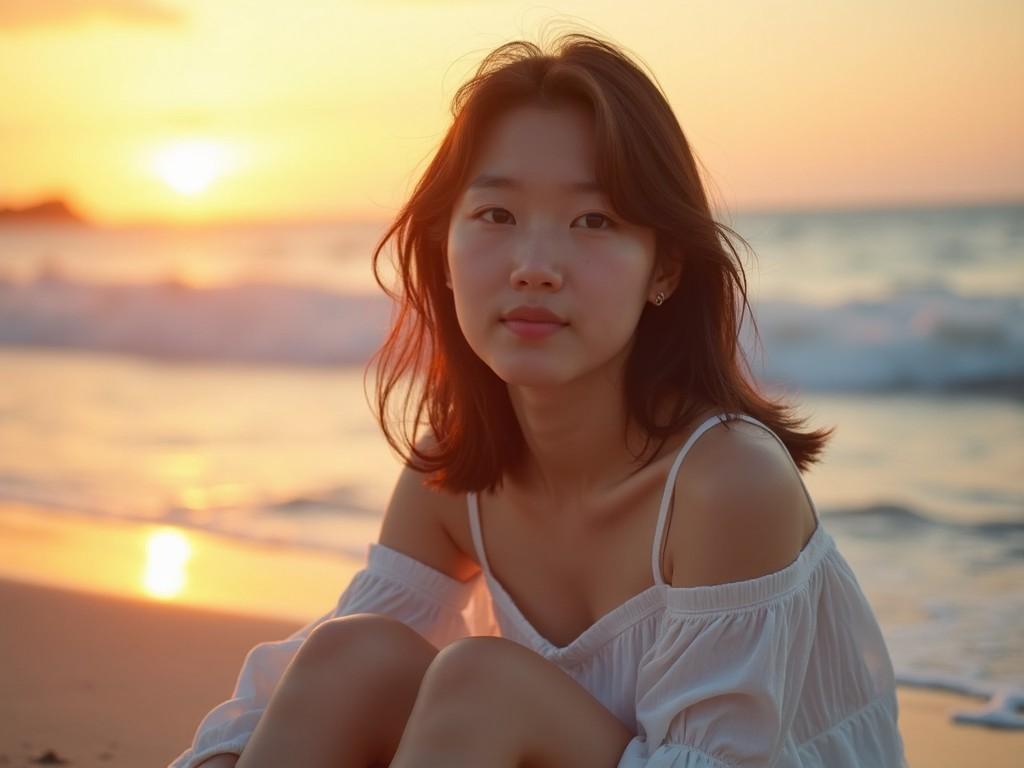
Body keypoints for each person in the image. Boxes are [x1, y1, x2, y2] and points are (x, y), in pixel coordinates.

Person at [170, 31, 907, 768]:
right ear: (445, 251)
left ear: (665, 268)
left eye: (594, 221)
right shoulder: (453, 475)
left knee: (482, 684)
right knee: (350, 654)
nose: (534, 267)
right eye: (496, 215)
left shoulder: (727, 482)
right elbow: (317, 687)